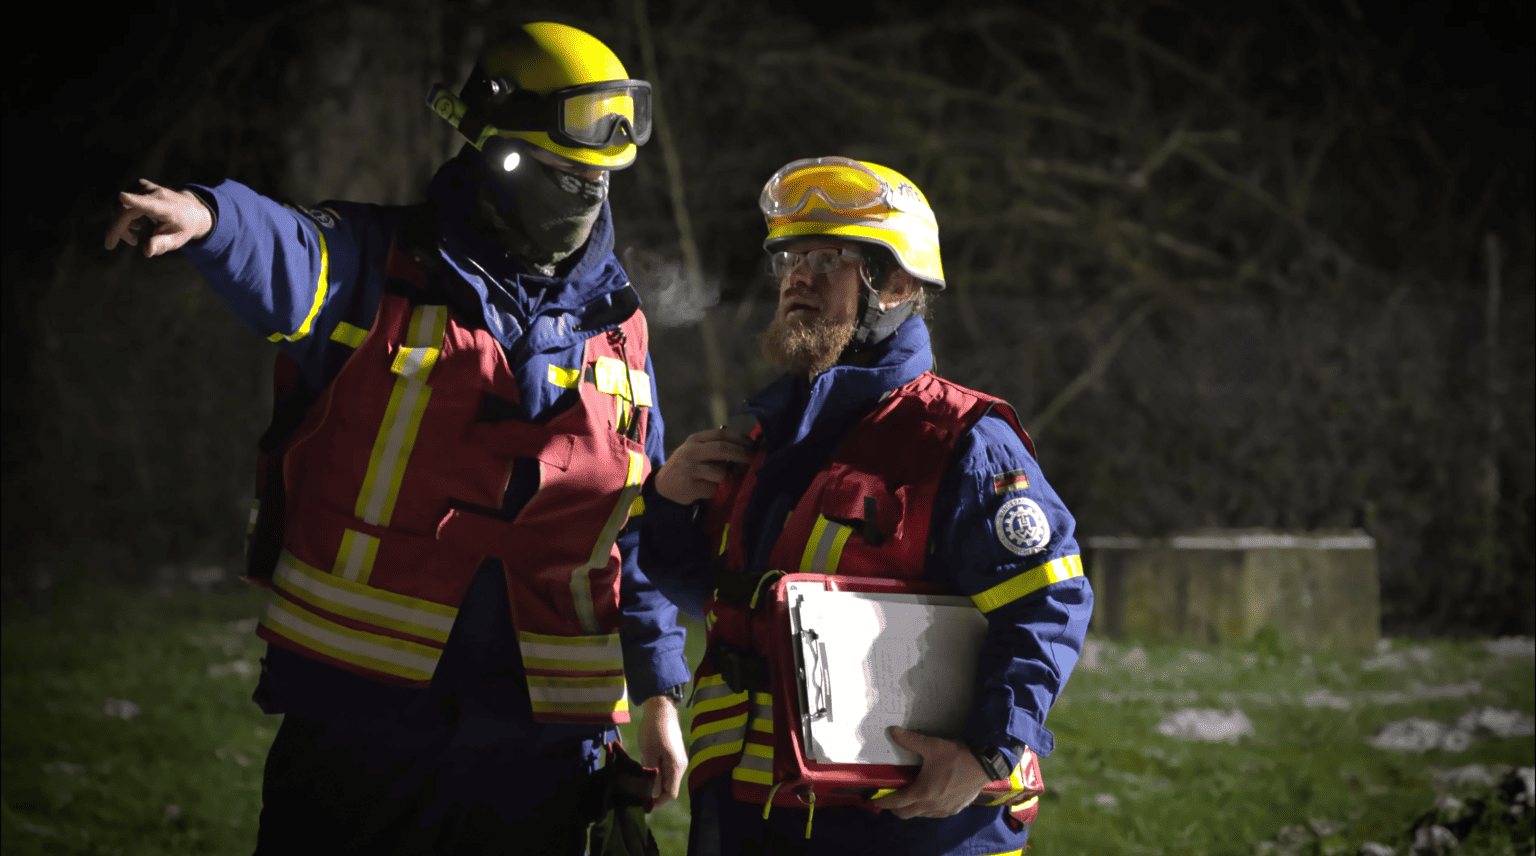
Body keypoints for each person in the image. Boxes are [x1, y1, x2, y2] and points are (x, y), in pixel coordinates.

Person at [103, 22, 690, 855]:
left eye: (598, 180)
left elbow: (637, 530)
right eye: (558, 174)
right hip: (360, 738)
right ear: (493, 156)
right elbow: (288, 249)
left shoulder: (619, 329)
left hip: (546, 756)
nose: (583, 197)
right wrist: (210, 217)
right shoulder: (376, 264)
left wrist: (660, 697)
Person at [639, 156, 1093, 855]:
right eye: (789, 257)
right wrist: (667, 506)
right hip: (754, 818)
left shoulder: (964, 441)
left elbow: (1050, 606)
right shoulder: (765, 436)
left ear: (898, 282)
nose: (796, 276)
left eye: (826, 259)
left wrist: (986, 755)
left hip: (910, 829)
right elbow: (717, 595)